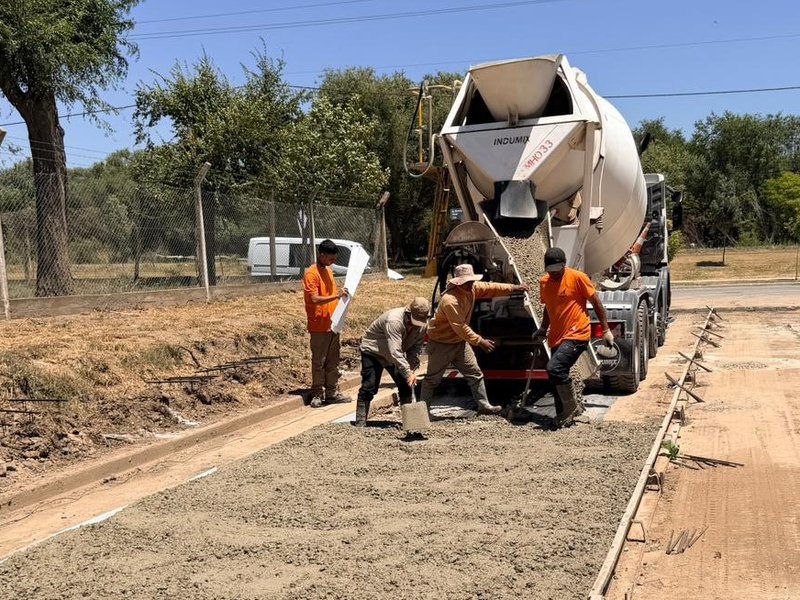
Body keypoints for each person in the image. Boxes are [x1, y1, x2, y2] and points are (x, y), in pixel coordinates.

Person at [420, 263, 529, 414]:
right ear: (458, 283)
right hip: (441, 344)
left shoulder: (472, 288)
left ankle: (484, 406)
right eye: (467, 282)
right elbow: (460, 327)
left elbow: (491, 288)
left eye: (471, 281)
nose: (470, 284)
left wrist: (514, 288)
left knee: (475, 374)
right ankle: (421, 412)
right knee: (432, 379)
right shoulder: (450, 300)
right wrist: (480, 341)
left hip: (459, 342)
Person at [535, 246, 614, 427]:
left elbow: (597, 303)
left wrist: (606, 329)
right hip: (556, 336)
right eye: (550, 271)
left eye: (558, 271)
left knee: (554, 368)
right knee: (555, 377)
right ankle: (564, 419)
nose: (554, 274)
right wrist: (542, 328)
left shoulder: (577, 278)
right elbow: (548, 308)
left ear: (564, 265)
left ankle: (570, 408)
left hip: (577, 333)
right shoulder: (544, 282)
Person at [354, 297, 431, 427]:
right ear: (408, 314)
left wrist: (411, 365)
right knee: (369, 386)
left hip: (395, 355)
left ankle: (410, 422)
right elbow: (395, 351)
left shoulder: (422, 325)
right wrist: (407, 372)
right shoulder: (394, 321)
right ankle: (360, 422)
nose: (417, 324)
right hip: (374, 351)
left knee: (406, 385)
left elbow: (416, 347)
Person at [303, 239, 350, 408]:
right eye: (330, 259)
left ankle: (332, 393)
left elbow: (333, 293)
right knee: (319, 361)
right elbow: (315, 298)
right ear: (321, 255)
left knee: (333, 361)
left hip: (333, 324)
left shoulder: (328, 271)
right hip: (318, 326)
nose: (333, 262)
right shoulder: (311, 274)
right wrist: (337, 296)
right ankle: (317, 393)